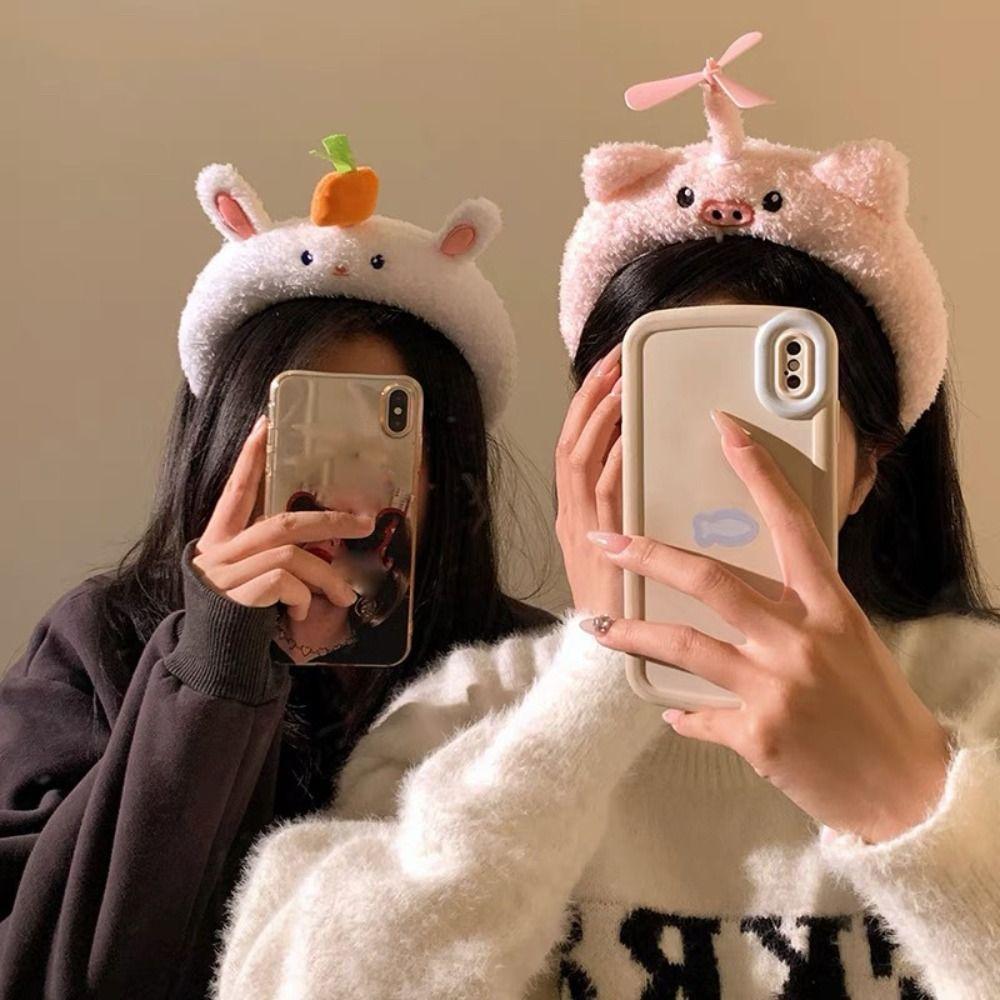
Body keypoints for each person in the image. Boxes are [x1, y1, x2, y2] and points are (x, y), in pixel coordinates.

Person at [214, 50, 1000, 1000]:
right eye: (667, 412)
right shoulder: (471, 712)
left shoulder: (982, 698)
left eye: (769, 422)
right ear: (586, 439)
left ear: (867, 468)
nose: (725, 462)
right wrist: (591, 687)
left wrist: (915, 801)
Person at [0, 138, 552, 998]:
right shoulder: (98, 641)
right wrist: (212, 669)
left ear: (441, 468)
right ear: (227, 444)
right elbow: (41, 969)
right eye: (301, 434)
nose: (332, 489)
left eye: (376, 437)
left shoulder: (527, 671)